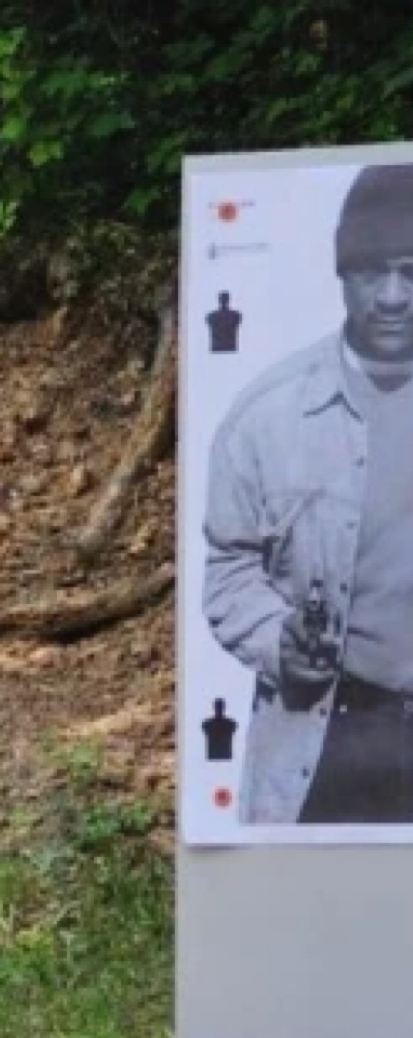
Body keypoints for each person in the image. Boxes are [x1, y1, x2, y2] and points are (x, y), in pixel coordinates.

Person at [203, 161, 413, 823]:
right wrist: (278, 642)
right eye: (371, 272)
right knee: (313, 921)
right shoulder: (268, 415)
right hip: (327, 740)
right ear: (341, 277)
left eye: (412, 271)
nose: (392, 296)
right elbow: (230, 570)